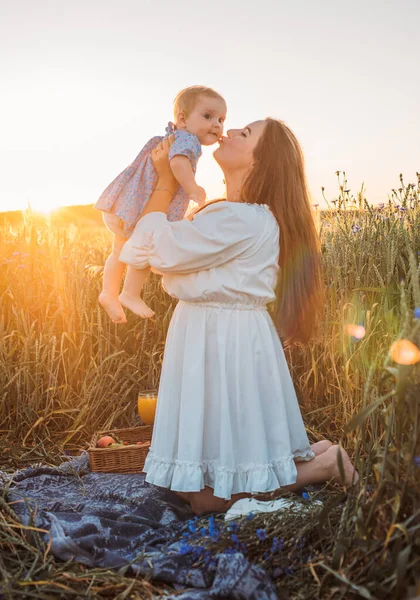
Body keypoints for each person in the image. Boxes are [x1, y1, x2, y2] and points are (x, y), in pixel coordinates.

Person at [119, 119, 359, 517]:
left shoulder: (240, 218)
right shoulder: (238, 215)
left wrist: (164, 180)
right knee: (190, 487)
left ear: (260, 163)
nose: (227, 132)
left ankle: (323, 465)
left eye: (244, 134)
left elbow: (158, 249)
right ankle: (313, 457)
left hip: (220, 339)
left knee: (204, 499)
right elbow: (171, 256)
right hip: (219, 332)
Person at [95, 86, 227, 323]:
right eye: (208, 116)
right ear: (183, 119)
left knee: (119, 251)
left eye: (221, 119)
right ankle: (130, 293)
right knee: (145, 247)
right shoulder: (189, 140)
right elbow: (177, 163)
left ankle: (108, 292)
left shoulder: (171, 137)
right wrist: (192, 188)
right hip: (142, 211)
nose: (217, 124)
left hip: (125, 207)